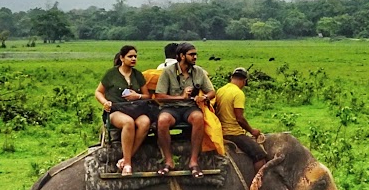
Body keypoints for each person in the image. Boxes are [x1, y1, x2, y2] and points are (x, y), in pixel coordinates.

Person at [153, 42, 214, 174]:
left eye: (195, 54)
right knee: (163, 120)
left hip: (190, 107)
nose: (195, 57)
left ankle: (193, 161)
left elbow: (211, 92)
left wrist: (204, 98)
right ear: (181, 56)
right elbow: (159, 96)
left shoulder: (199, 72)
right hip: (171, 107)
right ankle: (169, 161)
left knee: (198, 118)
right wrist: (180, 97)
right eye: (191, 54)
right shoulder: (168, 72)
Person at [96, 45, 155, 175]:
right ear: (122, 58)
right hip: (116, 111)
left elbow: (147, 96)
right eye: (130, 56)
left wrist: (137, 96)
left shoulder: (138, 75)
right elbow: (98, 92)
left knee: (145, 122)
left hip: (136, 109)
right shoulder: (111, 74)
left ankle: (125, 158)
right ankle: (128, 164)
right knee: (128, 122)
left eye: (135, 56)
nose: (133, 59)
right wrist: (105, 102)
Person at [215, 66, 267, 168]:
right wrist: (252, 131)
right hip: (234, 133)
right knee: (260, 156)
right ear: (244, 81)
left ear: (231, 78)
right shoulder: (238, 93)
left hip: (221, 131)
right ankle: (257, 183)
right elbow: (239, 118)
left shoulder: (220, 90)